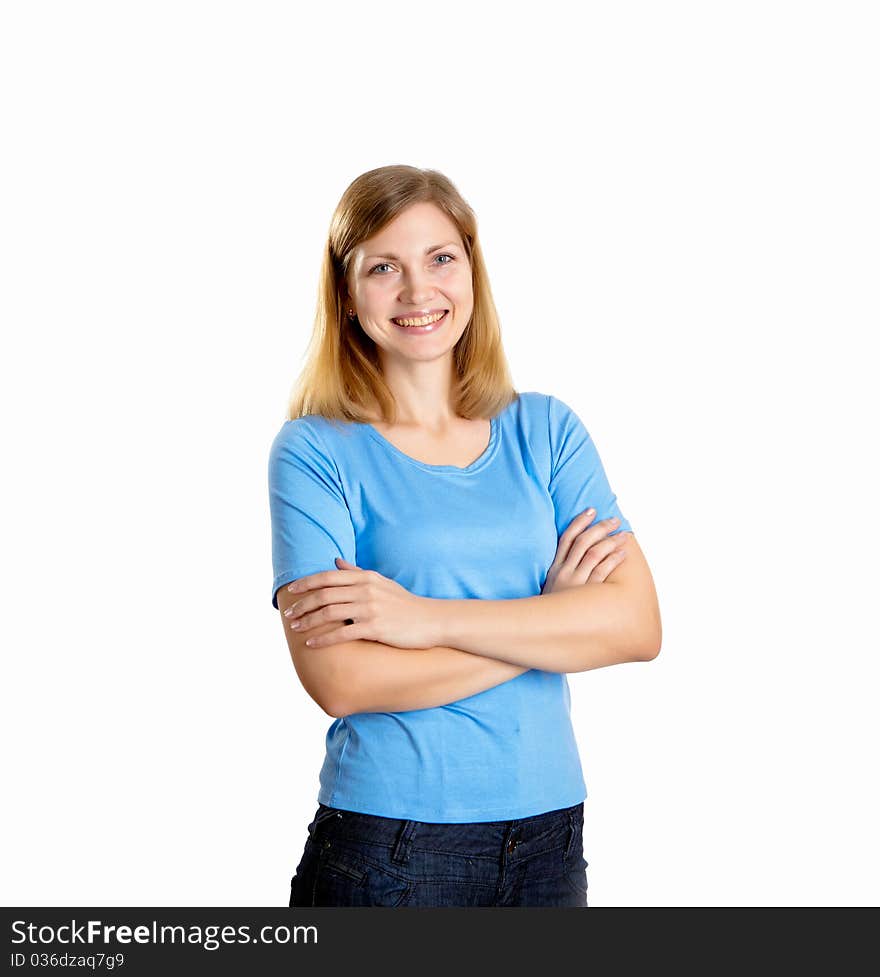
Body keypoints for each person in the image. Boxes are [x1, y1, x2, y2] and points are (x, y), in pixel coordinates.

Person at [268, 165, 662, 908]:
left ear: (472, 273)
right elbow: (341, 681)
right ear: (348, 295)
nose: (419, 292)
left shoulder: (546, 431)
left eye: (440, 258)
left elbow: (638, 626)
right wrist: (549, 620)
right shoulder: (314, 451)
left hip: (551, 835)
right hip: (392, 844)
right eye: (384, 267)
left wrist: (423, 621)